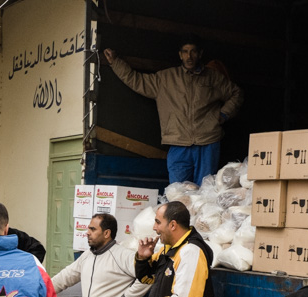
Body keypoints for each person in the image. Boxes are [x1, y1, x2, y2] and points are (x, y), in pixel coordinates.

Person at [104, 35, 243, 186]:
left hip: (207, 142)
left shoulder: (213, 78)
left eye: (193, 51)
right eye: (185, 52)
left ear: (200, 54)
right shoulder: (165, 78)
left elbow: (236, 93)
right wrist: (115, 62)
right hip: (178, 143)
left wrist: (224, 114)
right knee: (177, 192)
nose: (189, 56)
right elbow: (136, 80)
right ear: (180, 55)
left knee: (205, 191)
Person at [135, 201, 213, 297]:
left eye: (158, 222)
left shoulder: (190, 252)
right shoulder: (167, 250)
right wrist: (142, 258)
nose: (154, 227)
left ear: (172, 225)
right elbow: (146, 279)